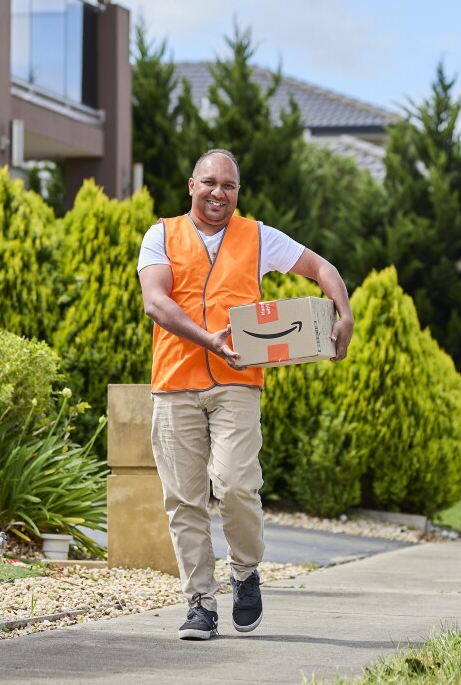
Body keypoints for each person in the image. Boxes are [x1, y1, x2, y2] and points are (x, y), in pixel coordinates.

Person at [137, 148, 354, 640]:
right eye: (210, 182)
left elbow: (321, 267)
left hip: (237, 382)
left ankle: (244, 571)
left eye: (229, 186)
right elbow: (156, 301)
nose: (218, 193)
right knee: (184, 500)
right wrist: (207, 339)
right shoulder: (161, 235)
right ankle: (199, 603)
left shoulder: (258, 237)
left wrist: (343, 313)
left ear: (238, 192)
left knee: (235, 484)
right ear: (191, 184)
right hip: (175, 382)